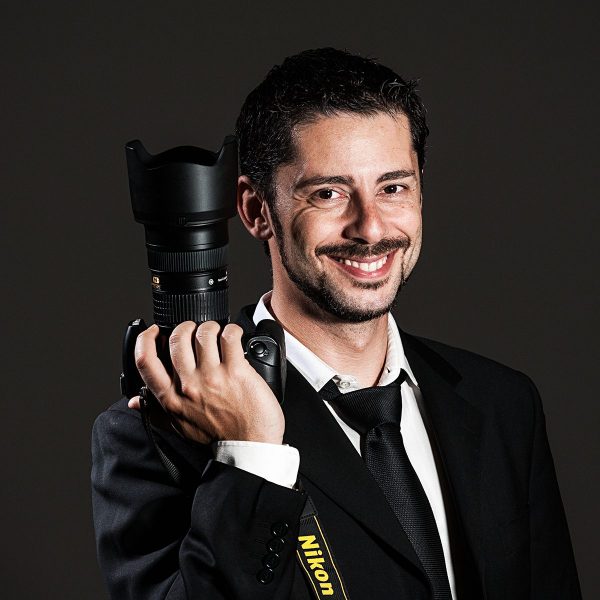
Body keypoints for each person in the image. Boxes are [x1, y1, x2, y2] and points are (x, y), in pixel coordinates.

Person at [91, 48, 581, 599]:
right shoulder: (156, 431)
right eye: (329, 193)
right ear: (255, 210)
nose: (370, 228)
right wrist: (251, 455)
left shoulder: (503, 406)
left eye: (393, 187)